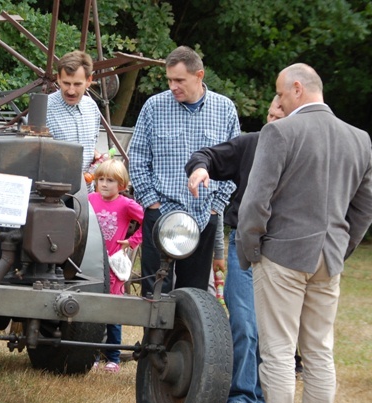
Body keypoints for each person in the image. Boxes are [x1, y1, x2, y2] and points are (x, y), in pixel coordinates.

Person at [236, 63, 372, 403]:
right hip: (328, 259)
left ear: (297, 88)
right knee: (319, 354)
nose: (279, 102)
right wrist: (340, 249)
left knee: (279, 353)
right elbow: (367, 209)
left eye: (281, 94)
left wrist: (250, 251)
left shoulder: (279, 132)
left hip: (280, 256)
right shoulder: (359, 138)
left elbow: (254, 204)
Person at [186, 96, 285, 403]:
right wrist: (200, 168)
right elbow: (207, 155)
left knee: (269, 327)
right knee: (243, 319)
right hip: (245, 245)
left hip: (284, 251)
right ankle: (240, 397)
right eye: (269, 113)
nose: (272, 121)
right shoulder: (251, 144)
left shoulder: (303, 153)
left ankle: (260, 395)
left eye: (280, 116)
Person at [128, 45, 240, 296]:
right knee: (154, 292)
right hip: (162, 212)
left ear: (199, 75)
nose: (173, 86)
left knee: (194, 294)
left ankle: (182, 337)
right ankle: (151, 336)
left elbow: (235, 162)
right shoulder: (154, 107)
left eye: (179, 80)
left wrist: (216, 206)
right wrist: (151, 203)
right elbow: (137, 157)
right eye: (169, 80)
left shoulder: (224, 109)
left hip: (203, 216)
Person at [89, 159, 143, 372]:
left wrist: (132, 240)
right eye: (100, 179)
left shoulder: (126, 205)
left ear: (121, 185)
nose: (104, 184)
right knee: (92, 311)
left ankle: (113, 356)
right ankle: (91, 354)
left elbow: (149, 220)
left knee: (112, 312)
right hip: (91, 262)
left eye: (110, 180)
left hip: (112, 264)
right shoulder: (90, 200)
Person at [46, 50, 101, 191]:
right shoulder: (44, 109)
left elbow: (91, 146)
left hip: (86, 194)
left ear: (89, 80)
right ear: (58, 78)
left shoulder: (92, 107)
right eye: (66, 83)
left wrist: (98, 157)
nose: (71, 91)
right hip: (53, 195)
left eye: (77, 84)